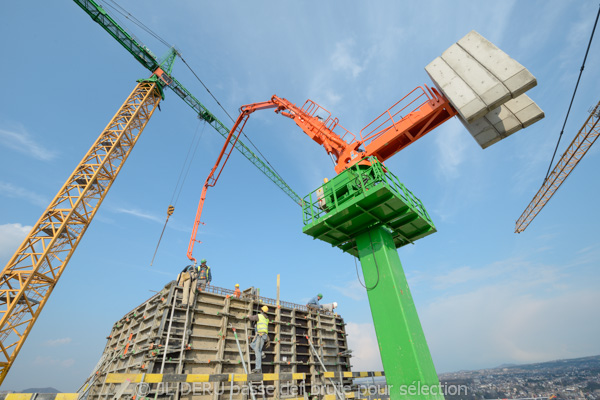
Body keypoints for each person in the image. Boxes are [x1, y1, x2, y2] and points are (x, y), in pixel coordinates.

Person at [248, 305, 269, 373]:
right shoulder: (267, 318)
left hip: (260, 335)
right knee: (252, 345)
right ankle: (262, 354)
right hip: (263, 335)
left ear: (262, 310)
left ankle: (258, 368)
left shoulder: (259, 316)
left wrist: (248, 316)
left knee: (257, 352)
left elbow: (252, 318)